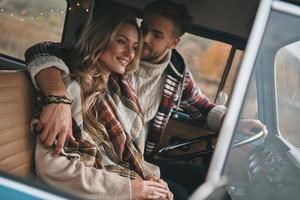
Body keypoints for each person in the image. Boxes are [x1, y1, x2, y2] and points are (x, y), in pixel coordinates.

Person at [25, 0, 267, 196]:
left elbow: (203, 109)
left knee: (206, 180)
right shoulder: (95, 70)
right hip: (114, 159)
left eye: (157, 35)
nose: (144, 41)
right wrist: (58, 97)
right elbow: (41, 52)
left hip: (137, 155)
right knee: (180, 193)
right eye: (144, 29)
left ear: (174, 42)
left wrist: (235, 123)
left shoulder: (174, 73)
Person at [27, 5, 174, 200]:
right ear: (100, 39)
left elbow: (123, 157)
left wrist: (151, 178)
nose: (129, 53)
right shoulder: (71, 89)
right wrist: (130, 189)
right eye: (121, 42)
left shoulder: (119, 91)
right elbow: (52, 168)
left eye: (135, 46)